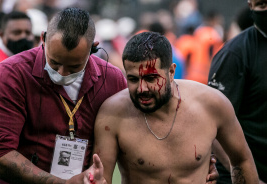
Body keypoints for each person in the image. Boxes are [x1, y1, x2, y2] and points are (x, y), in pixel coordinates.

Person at [92, 32, 259, 184]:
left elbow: (241, 160)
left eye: (151, 78)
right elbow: (102, 177)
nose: (142, 88)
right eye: (133, 79)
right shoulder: (112, 113)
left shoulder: (211, 103)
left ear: (171, 72)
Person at [0, 7, 127, 184]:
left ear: (93, 48)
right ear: (43, 38)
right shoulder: (10, 74)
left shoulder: (112, 80)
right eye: (54, 62)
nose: (62, 73)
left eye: (74, 67)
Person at [208, 0, 267, 183]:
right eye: (262, 4)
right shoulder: (235, 53)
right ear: (250, 6)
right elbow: (213, 126)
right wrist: (250, 178)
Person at [0, 11, 34, 80]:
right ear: (2, 35)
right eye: (17, 32)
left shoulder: (37, 64)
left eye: (27, 33)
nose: (23, 36)